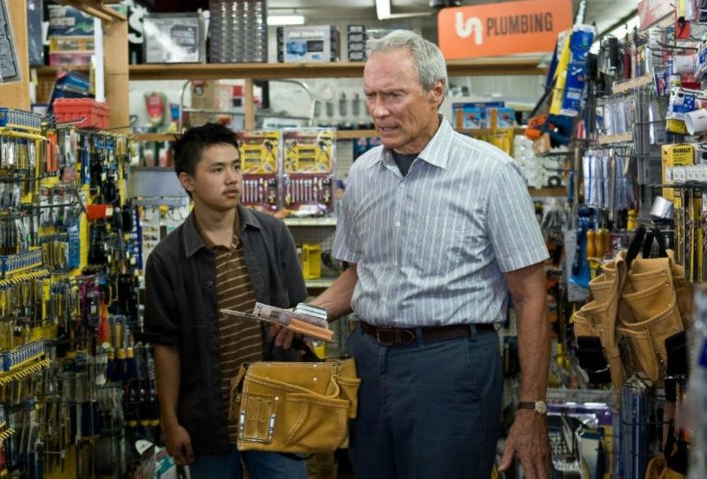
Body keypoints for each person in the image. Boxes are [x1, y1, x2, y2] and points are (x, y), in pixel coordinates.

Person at [277, 30, 552, 479]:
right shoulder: (364, 173)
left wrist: (531, 406)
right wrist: (309, 313)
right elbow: (360, 274)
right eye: (371, 96)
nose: (379, 111)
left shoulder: (491, 173)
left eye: (394, 95)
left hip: (450, 365)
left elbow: (530, 296)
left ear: (435, 92)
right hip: (367, 362)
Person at [142, 123, 308, 479]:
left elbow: (301, 312)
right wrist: (170, 422)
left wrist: (298, 324)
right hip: (208, 423)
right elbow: (166, 348)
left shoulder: (273, 235)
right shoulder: (167, 261)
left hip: (277, 416)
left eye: (235, 166)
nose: (232, 178)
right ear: (188, 181)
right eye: (217, 169)